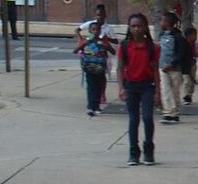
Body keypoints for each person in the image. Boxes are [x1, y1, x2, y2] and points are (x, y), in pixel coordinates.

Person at [115, 13, 159, 166]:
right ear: (129, 28)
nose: (136, 29)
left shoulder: (152, 47)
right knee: (134, 119)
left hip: (147, 86)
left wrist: (158, 92)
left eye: (139, 26)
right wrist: (121, 88)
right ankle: (134, 152)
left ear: (145, 27)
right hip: (131, 86)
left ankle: (149, 150)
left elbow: (155, 71)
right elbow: (120, 68)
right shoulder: (125, 46)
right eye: (133, 26)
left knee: (147, 117)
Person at [73, 22, 114, 116]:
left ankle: (97, 106)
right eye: (93, 30)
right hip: (89, 67)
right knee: (91, 87)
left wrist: (106, 46)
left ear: (100, 30)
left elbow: (113, 51)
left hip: (100, 68)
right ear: (89, 31)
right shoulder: (86, 40)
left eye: (97, 29)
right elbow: (75, 51)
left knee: (99, 87)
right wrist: (84, 44)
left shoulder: (103, 41)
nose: (95, 32)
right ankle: (90, 107)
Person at [158, 12, 189, 123]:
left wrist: (172, 64)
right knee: (165, 90)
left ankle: (175, 113)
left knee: (175, 91)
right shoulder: (162, 35)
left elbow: (181, 53)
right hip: (163, 67)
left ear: (168, 22)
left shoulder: (178, 37)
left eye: (162, 20)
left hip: (175, 69)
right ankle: (167, 112)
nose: (161, 23)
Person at [183, 25, 198, 105]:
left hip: (192, 65)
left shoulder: (196, 45)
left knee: (191, 81)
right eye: (194, 35)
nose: (196, 37)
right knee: (187, 81)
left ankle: (189, 95)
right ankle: (187, 95)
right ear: (188, 36)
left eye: (196, 35)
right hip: (185, 65)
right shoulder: (184, 44)